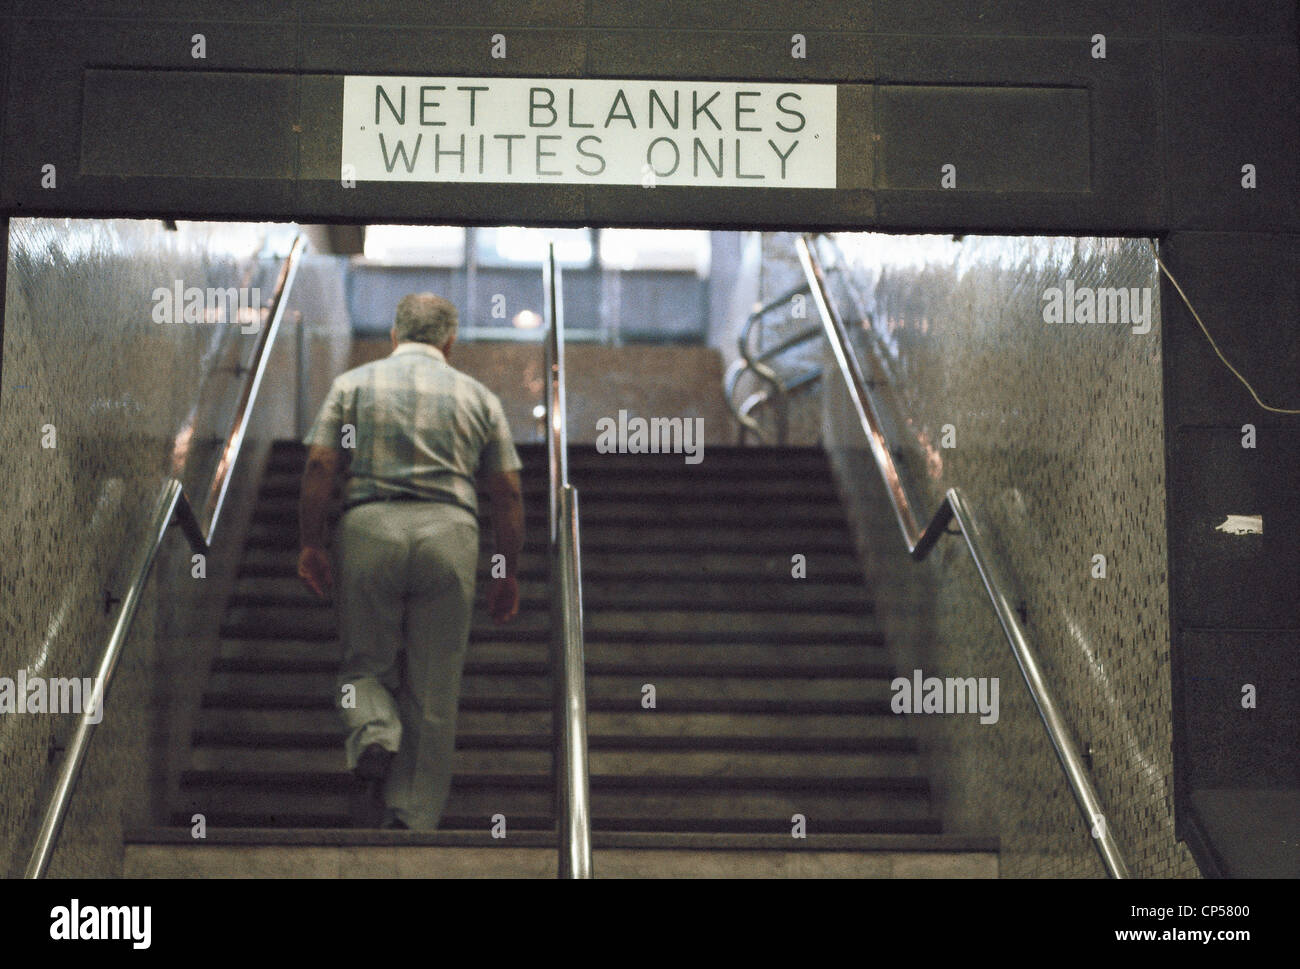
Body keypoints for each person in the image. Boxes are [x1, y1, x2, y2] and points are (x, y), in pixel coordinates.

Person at [296, 292, 525, 830]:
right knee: (435, 685)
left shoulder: (352, 385)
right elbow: (508, 493)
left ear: (394, 336)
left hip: (369, 526)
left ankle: (373, 731)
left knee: (363, 664)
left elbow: (320, 464)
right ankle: (412, 817)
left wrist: (312, 542)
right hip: (451, 534)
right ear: (450, 341)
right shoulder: (479, 397)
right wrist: (505, 570)